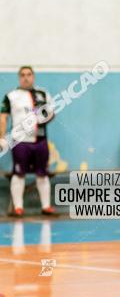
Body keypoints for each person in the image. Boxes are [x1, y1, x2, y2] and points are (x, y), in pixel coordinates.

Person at [0, 66, 56, 216]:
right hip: (20, 142)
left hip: (41, 140)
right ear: (19, 77)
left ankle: (46, 207)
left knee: (42, 174)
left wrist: (44, 117)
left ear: (33, 76)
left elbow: (52, 114)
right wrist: (1, 138)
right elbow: (3, 118)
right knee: (18, 174)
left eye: (29, 74)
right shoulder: (11, 96)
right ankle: (18, 208)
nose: (26, 78)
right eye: (23, 75)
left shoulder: (43, 94)